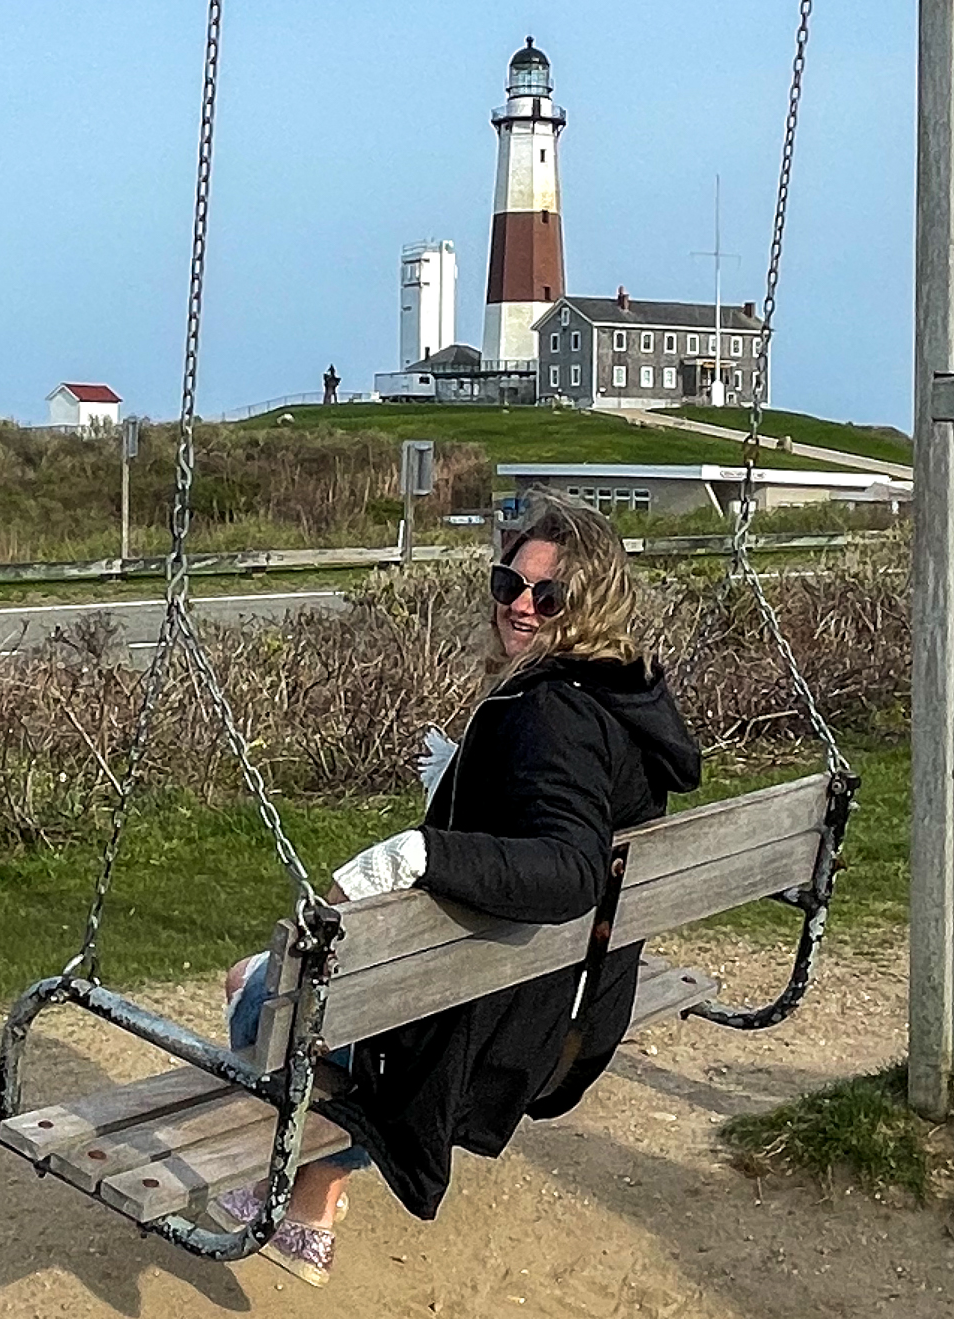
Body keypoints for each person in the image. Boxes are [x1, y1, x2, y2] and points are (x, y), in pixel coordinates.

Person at [214, 491, 702, 1284]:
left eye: (548, 596)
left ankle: (292, 1189)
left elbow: (572, 865)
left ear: (588, 605)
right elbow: (572, 808)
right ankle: (314, 1199)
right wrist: (470, 777)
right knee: (349, 999)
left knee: (253, 988)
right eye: (509, 584)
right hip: (571, 1008)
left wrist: (419, 852)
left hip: (489, 1037)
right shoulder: (624, 696)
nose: (520, 605)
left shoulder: (551, 713)